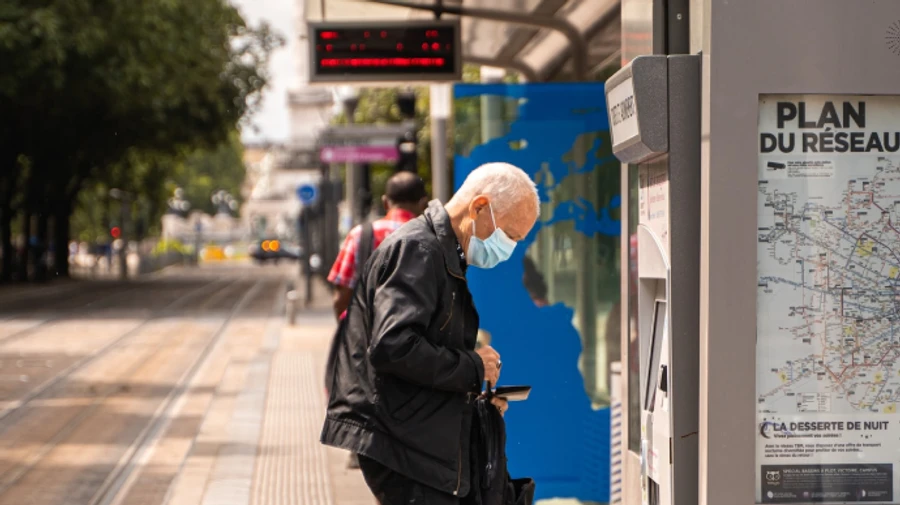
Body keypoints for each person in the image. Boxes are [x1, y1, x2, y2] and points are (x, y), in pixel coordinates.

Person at [320, 162, 540, 505]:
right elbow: (394, 346)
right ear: (479, 207)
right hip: (405, 447)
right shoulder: (419, 251)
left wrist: (476, 402)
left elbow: (424, 353)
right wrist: (474, 366)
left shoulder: (441, 253)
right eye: (510, 236)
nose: (508, 249)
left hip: (416, 441)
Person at [327, 171, 429, 320]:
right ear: (424, 203)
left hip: (369, 330)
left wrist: (349, 330)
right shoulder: (433, 238)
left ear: (385, 202)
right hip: (419, 330)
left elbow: (341, 298)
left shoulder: (360, 235)